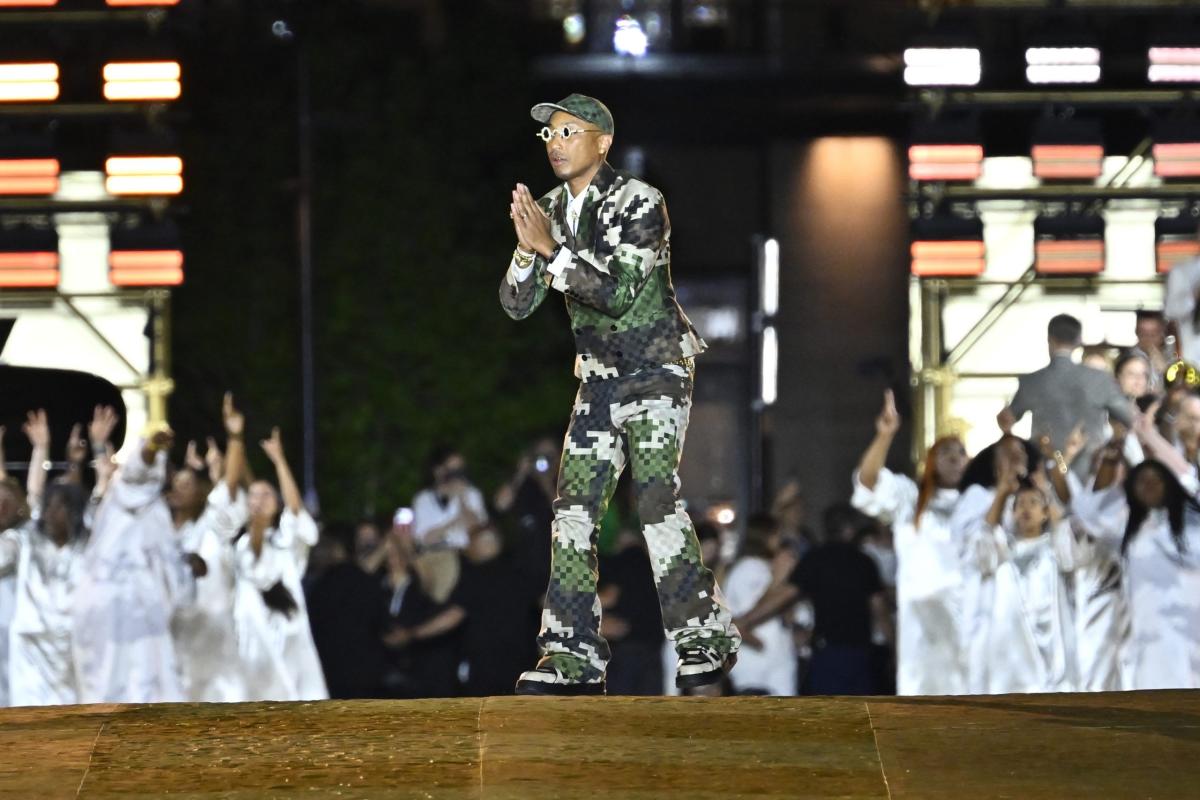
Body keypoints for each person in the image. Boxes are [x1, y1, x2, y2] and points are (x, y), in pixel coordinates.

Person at [500, 92, 739, 694]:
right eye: (549, 135)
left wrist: (551, 250)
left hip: (656, 366)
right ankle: (574, 659)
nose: (555, 144)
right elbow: (515, 304)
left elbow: (619, 292)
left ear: (601, 143)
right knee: (572, 512)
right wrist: (528, 252)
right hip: (600, 376)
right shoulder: (547, 208)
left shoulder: (640, 202)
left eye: (568, 132)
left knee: (656, 500)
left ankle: (703, 640)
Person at [73, 416, 202, 704]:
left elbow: (172, 569)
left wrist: (187, 571)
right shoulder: (120, 494)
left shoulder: (156, 511)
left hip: (146, 616)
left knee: (148, 686)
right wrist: (152, 445)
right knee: (109, 686)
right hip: (109, 613)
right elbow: (139, 468)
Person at [851, 389, 968, 696]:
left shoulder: (979, 503)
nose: (955, 459)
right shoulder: (910, 499)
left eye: (960, 453)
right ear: (931, 461)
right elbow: (868, 482)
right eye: (946, 453)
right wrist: (884, 435)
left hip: (968, 619)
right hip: (921, 621)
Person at [1074, 406, 1200, 690]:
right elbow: (1089, 514)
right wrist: (1111, 462)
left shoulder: (1195, 524)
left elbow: (1189, 477)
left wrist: (1149, 435)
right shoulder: (1128, 530)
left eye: (1156, 480)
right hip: (1150, 636)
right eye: (1141, 482)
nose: (1149, 486)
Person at [734, 504, 890, 695]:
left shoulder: (815, 559)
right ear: (851, 530)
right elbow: (880, 609)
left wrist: (745, 621)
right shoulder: (864, 562)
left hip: (826, 652)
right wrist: (895, 648)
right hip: (860, 651)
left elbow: (784, 595)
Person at [1, 411, 98, 706]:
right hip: (30, 647)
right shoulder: (27, 539)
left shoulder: (86, 545)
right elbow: (28, 495)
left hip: (71, 646)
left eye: (65, 507)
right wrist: (41, 449)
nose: (58, 513)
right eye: (53, 506)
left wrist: (77, 463)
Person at [231, 427, 328, 701]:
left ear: (277, 504)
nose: (259, 501)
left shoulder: (287, 540)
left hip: (289, 637)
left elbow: (296, 511)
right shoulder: (242, 544)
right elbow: (255, 564)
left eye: (266, 496)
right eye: (254, 496)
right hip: (254, 641)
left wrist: (279, 461)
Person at [169, 394, 250, 702]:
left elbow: (229, 486)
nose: (178, 490)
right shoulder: (164, 533)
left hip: (213, 642)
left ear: (201, 492)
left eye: (186, 485)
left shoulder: (212, 527)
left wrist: (235, 437)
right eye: (175, 484)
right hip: (177, 640)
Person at [998, 314, 1133, 477]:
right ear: (1079, 341)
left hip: (1046, 471)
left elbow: (1007, 420)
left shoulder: (1031, 382)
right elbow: (1129, 417)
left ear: (1049, 339)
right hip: (1091, 472)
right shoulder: (1100, 379)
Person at [305, 522, 387, 699]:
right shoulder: (364, 581)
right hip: (366, 674)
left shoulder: (318, 586)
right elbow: (382, 622)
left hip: (328, 672)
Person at [722, 514, 796, 696]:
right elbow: (753, 612)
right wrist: (762, 647)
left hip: (774, 666)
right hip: (757, 668)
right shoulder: (749, 568)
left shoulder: (764, 567)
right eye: (777, 535)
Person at [410, 447, 487, 604]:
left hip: (468, 557)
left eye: (460, 469)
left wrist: (462, 499)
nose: (456, 474)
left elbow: (478, 530)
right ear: (438, 470)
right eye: (451, 469)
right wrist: (451, 524)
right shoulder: (424, 499)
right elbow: (423, 539)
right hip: (437, 558)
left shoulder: (472, 494)